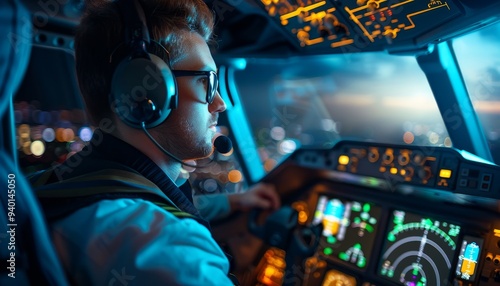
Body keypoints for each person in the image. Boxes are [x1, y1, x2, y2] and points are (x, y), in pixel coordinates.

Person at [29, 0, 280, 285]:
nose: (220, 103)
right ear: (149, 93)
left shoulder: (60, 184)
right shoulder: (168, 247)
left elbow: (146, 201)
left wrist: (233, 202)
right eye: (207, 82)